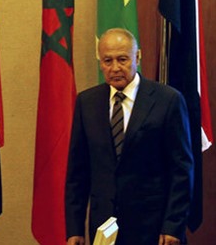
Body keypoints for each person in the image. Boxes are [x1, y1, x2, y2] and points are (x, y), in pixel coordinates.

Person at [65, 28, 194, 245]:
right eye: (107, 61)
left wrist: (173, 225)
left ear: (138, 57)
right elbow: (77, 173)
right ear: (100, 62)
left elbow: (181, 170)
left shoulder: (167, 100)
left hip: (153, 228)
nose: (115, 68)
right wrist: (74, 229)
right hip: (103, 228)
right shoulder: (86, 103)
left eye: (122, 59)